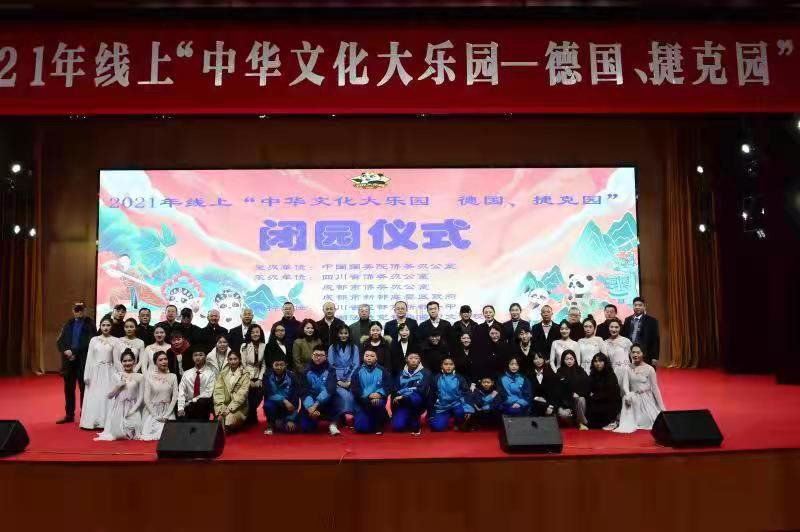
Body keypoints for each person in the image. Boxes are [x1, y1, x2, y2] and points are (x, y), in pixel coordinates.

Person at [55, 302, 96, 424]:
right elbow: (60, 341)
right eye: (76, 310)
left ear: (85, 310)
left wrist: (73, 352)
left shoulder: (90, 323)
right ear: (73, 311)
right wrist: (65, 351)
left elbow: (89, 342)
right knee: (68, 388)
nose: (79, 312)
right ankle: (69, 415)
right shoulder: (69, 323)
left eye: (81, 309)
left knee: (84, 388)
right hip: (68, 361)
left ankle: (85, 414)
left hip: (82, 361)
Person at [615, 344, 666, 433]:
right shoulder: (627, 368)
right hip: (632, 398)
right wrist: (628, 395)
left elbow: (655, 388)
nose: (635, 355)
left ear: (643, 354)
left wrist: (662, 407)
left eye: (638, 352)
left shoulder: (650, 369)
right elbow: (625, 385)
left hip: (646, 399)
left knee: (648, 421)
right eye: (633, 352)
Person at [94, 349, 144, 441]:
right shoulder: (116, 375)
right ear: (121, 362)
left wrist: (133, 410)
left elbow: (141, 397)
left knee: (135, 432)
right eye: (124, 361)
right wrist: (118, 386)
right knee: (119, 434)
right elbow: (109, 396)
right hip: (119, 407)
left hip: (133, 407)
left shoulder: (140, 377)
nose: (127, 363)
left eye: (130, 360)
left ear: (134, 361)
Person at [80, 317, 118, 429]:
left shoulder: (116, 340)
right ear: (100, 326)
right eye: (103, 325)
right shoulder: (94, 340)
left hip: (109, 372)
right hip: (95, 372)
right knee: (95, 396)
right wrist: (86, 375)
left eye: (108, 325)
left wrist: (118, 376)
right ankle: (93, 421)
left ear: (111, 327)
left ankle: (106, 422)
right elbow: (89, 358)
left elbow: (117, 360)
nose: (106, 328)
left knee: (107, 395)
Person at [328, 324, 360, 435]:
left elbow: (356, 365)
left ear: (349, 334)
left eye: (346, 333)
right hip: (336, 377)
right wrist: (338, 381)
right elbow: (330, 366)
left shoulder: (354, 347)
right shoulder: (332, 347)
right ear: (337, 334)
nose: (343, 335)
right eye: (341, 333)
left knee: (353, 395)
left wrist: (350, 380)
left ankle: (355, 418)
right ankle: (339, 418)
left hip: (351, 377)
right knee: (342, 396)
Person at [351, 349, 392, 434]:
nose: (369, 358)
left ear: (376, 358)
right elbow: (355, 389)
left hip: (378, 400)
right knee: (361, 429)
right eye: (367, 356)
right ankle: (373, 418)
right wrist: (369, 395)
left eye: (372, 356)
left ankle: (379, 421)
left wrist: (379, 394)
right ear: (363, 357)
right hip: (362, 402)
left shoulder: (383, 370)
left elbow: (388, 386)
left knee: (378, 403)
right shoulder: (357, 371)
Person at [428, 355, 474, 432]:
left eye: (451, 364)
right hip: (442, 407)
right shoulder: (436, 378)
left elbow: (466, 394)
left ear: (454, 366)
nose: (448, 366)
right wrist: (431, 414)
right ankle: (447, 419)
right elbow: (432, 396)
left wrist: (468, 409)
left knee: (461, 413)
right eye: (446, 364)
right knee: (436, 427)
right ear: (441, 366)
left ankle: (457, 422)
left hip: (457, 404)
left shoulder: (460, 378)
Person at [140, 351, 179, 440]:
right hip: (153, 411)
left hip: (167, 411)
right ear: (155, 362)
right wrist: (155, 416)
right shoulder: (149, 377)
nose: (164, 362)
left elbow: (175, 397)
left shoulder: (173, 376)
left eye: (165, 359)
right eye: (160, 360)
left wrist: (167, 415)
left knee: (168, 435)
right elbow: (146, 398)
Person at [299, 347, 339, 435]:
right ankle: (314, 418)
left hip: (326, 400)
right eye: (316, 355)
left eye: (321, 355)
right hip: (311, 401)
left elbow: (329, 389)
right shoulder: (305, 371)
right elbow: (304, 391)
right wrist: (310, 408)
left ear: (325, 357)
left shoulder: (331, 370)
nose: (318, 357)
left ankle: (333, 423)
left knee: (336, 396)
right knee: (306, 429)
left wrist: (315, 405)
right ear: (312, 356)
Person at [391, 351, 431, 434]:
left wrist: (404, 395)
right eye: (411, 358)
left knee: (415, 397)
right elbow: (396, 389)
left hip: (417, 401)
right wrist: (400, 396)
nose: (413, 360)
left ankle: (415, 418)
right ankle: (407, 417)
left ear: (419, 360)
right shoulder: (400, 373)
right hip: (403, 403)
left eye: (416, 358)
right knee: (397, 427)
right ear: (406, 359)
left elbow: (421, 389)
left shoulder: (426, 373)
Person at [262, 355, 301, 434]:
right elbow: (269, 394)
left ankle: (283, 421)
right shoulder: (267, 376)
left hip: (287, 409)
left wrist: (291, 419)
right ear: (272, 365)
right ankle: (271, 425)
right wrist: (284, 400)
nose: (279, 367)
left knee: (291, 429)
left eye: (281, 365)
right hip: (274, 406)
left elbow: (295, 400)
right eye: (276, 365)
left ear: (286, 365)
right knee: (268, 404)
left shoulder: (293, 377)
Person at [213, 350, 250, 433]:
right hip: (224, 406)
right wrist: (220, 409)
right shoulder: (222, 373)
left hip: (239, 408)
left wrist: (229, 408)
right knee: (220, 419)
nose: (233, 361)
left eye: (235, 359)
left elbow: (242, 394)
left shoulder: (245, 374)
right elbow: (218, 392)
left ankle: (229, 426)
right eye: (230, 359)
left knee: (229, 421)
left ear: (240, 360)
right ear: (228, 360)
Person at [586, 353, 622, 430]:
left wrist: (595, 395)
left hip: (608, 404)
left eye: (600, 361)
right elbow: (588, 391)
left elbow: (612, 393)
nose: (598, 363)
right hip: (595, 404)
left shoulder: (611, 375)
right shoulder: (592, 375)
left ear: (605, 362)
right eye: (595, 361)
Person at [555, 350, 590, 429]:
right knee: (563, 415)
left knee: (581, 399)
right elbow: (557, 389)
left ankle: (581, 422)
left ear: (575, 359)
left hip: (577, 401)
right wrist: (570, 394)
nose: (569, 361)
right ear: (563, 360)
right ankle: (573, 420)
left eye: (571, 359)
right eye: (567, 359)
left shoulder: (580, 370)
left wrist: (579, 393)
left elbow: (587, 386)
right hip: (565, 403)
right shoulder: (560, 371)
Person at [622, 297, 660, 368]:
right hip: (630, 354)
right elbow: (624, 336)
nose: (637, 307)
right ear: (633, 306)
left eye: (640, 305)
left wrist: (655, 357)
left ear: (644, 307)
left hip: (646, 354)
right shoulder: (627, 320)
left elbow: (656, 339)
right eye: (635, 305)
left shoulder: (652, 320)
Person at [177, 350, 215, 421]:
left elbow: (208, 393)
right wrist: (181, 408)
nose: (197, 357)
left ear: (205, 357)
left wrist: (191, 401)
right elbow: (181, 391)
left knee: (202, 402)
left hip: (203, 406)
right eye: (195, 355)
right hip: (188, 407)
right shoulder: (187, 373)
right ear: (192, 357)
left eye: (200, 355)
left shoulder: (210, 374)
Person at [240, 324, 267, 425]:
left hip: (259, 375)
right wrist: (249, 379)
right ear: (249, 334)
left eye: (257, 332)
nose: (255, 334)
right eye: (253, 332)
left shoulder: (264, 346)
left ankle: (252, 413)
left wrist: (260, 379)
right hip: (246, 375)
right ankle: (249, 416)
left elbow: (264, 365)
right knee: (248, 396)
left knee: (259, 394)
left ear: (260, 333)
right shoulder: (244, 346)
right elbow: (243, 364)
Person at [605, 318, 632, 386]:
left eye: (616, 327)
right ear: (608, 328)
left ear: (620, 328)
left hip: (627, 372)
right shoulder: (605, 343)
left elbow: (633, 357)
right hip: (613, 373)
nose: (614, 329)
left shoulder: (626, 341)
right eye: (611, 327)